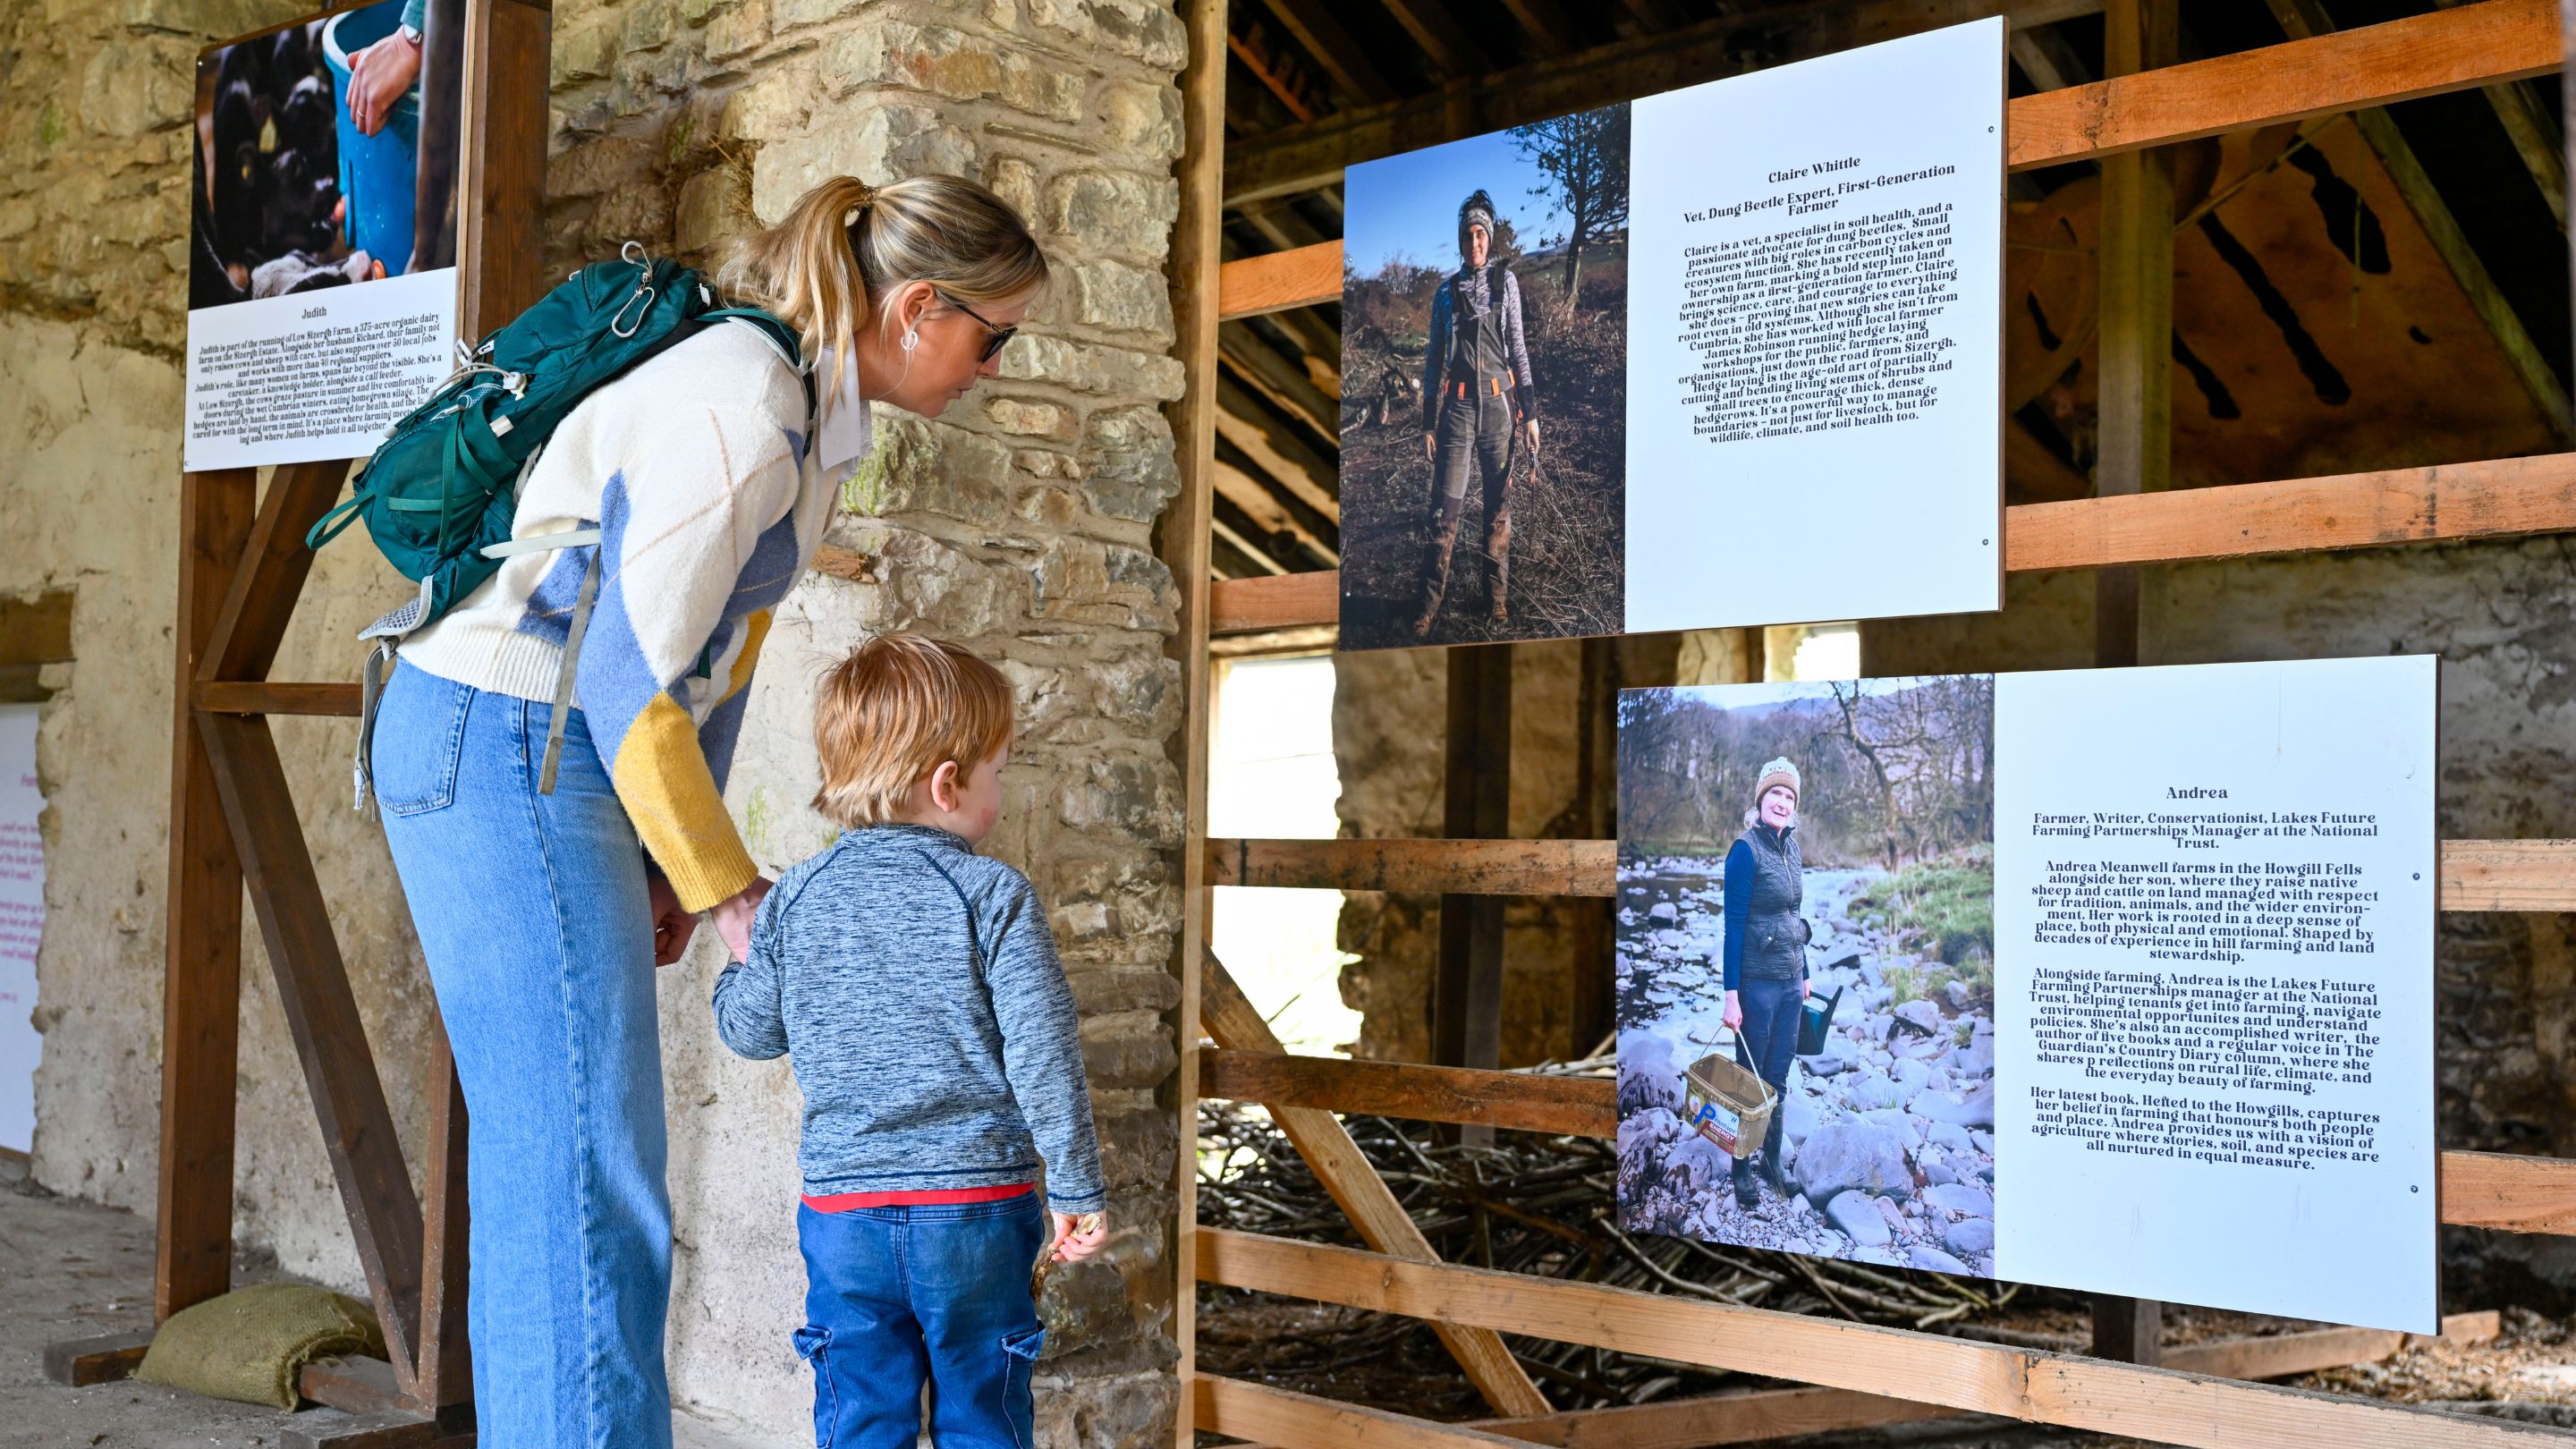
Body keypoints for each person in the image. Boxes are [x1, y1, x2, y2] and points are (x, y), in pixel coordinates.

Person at [364, 174, 1046, 1449]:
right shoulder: (745, 401)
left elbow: (714, 658)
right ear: (915, 307)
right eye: (993, 336)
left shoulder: (807, 423)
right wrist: (734, 892)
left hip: (544, 748)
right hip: (509, 735)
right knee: (584, 1180)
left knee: (557, 1171)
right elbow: (623, 674)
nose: (996, 369)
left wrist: (675, 862)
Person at [710, 633, 1107, 1449]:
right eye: (1000, 769)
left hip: (844, 1217)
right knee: (983, 1414)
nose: (1001, 786)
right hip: (975, 1216)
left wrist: (738, 956)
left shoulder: (798, 897)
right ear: (947, 784)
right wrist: (1074, 1186)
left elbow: (751, 1032)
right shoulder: (990, 894)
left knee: (861, 1416)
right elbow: (1044, 1050)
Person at [1414, 189, 1540, 637]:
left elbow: (1519, 351)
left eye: (1481, 234)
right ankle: (1429, 606)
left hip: (1499, 413)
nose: (1475, 242)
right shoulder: (1445, 294)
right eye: (1468, 235)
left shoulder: (1506, 283)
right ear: (1460, 240)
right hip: (1457, 412)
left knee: (1497, 513)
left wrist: (1531, 416)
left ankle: (1498, 601)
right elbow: (1433, 360)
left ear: (1491, 237)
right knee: (1443, 515)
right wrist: (1429, 420)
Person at [1719, 757, 1812, 1213]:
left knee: (1778, 1080)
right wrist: (1730, 994)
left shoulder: (1792, 849)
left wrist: (1806, 973)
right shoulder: (1745, 851)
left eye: (1790, 796)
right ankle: (1741, 1168)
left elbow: (1793, 917)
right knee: (1747, 1082)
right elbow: (1733, 925)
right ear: (1761, 799)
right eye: (1776, 793)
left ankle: (1771, 1163)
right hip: (1755, 986)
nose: (1783, 801)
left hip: (1791, 985)